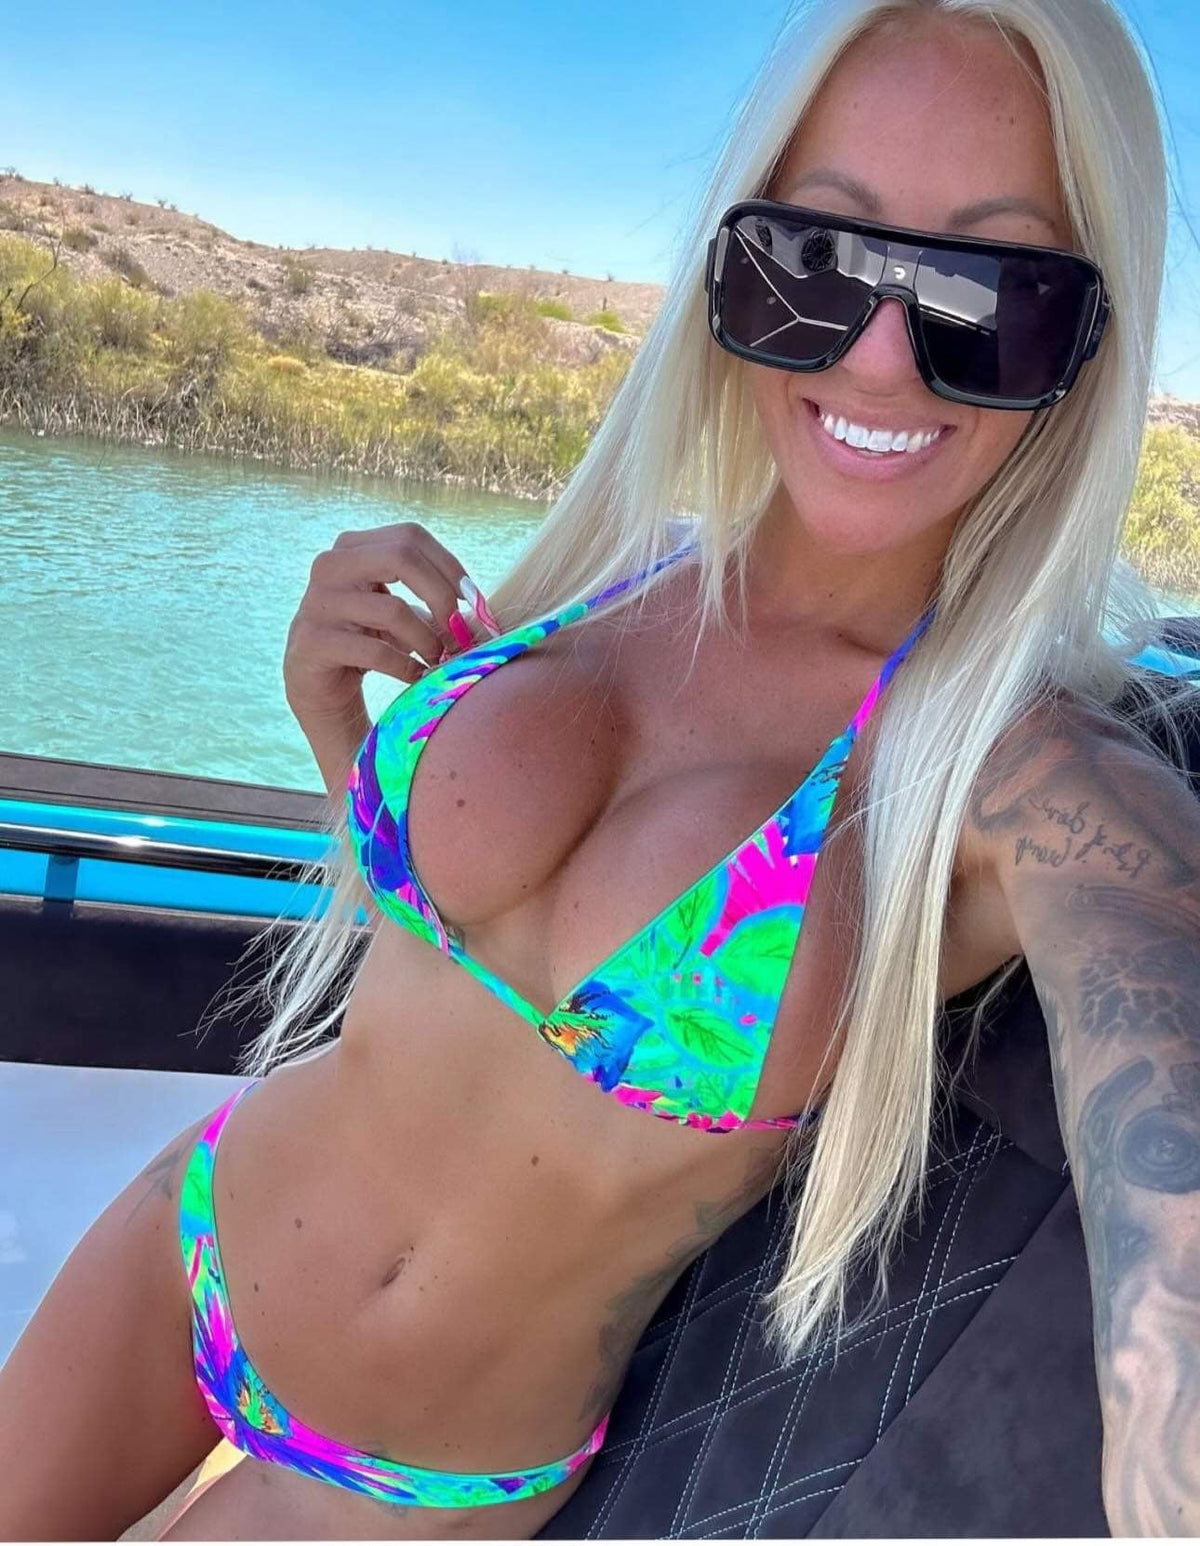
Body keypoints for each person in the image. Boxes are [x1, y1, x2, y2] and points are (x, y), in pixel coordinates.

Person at [4, 0, 1199, 1537]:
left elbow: (1171, 1244)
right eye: (816, 258)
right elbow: (442, 958)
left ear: (1087, 345)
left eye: (989, 292)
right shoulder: (619, 570)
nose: (878, 357)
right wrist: (336, 725)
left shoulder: (1024, 776)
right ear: (730, 264)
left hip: (414, 1472)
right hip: (194, 1231)